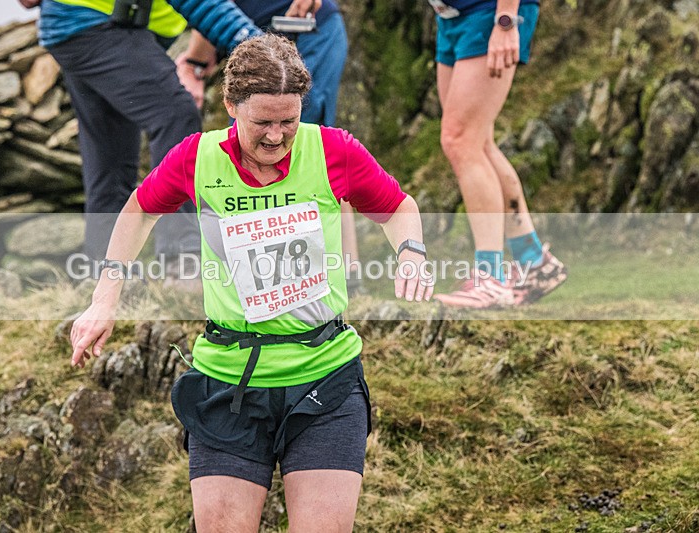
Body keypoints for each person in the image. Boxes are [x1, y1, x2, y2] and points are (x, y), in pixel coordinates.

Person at [69, 34, 434, 531]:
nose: (276, 136)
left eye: (289, 121)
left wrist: (411, 252)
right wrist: (103, 299)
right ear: (230, 106)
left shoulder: (334, 150)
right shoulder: (197, 159)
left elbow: (399, 209)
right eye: (262, 122)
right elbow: (137, 211)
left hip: (324, 378)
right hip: (229, 382)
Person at [18, 0, 257, 272]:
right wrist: (258, 49)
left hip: (80, 27)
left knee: (110, 154)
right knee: (174, 114)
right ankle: (180, 259)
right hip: (95, 23)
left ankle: (103, 275)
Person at [174, 0, 363, 291]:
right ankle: (262, 273)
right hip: (251, 44)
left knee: (311, 149)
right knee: (252, 150)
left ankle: (344, 270)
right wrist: (196, 62)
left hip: (310, 31)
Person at [428, 0, 567, 308]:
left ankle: (490, 278)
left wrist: (506, 20)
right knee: (477, 142)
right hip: (452, 17)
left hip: (489, 13)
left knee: (460, 139)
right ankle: (533, 261)